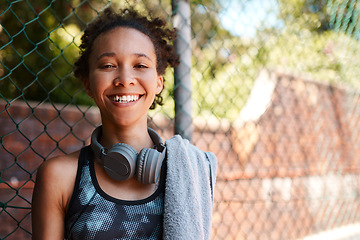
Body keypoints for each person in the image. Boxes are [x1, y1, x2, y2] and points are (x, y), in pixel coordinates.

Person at [31, 7, 217, 240]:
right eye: (108, 65)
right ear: (88, 84)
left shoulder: (190, 170)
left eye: (140, 65)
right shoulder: (59, 176)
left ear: (158, 83)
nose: (125, 80)